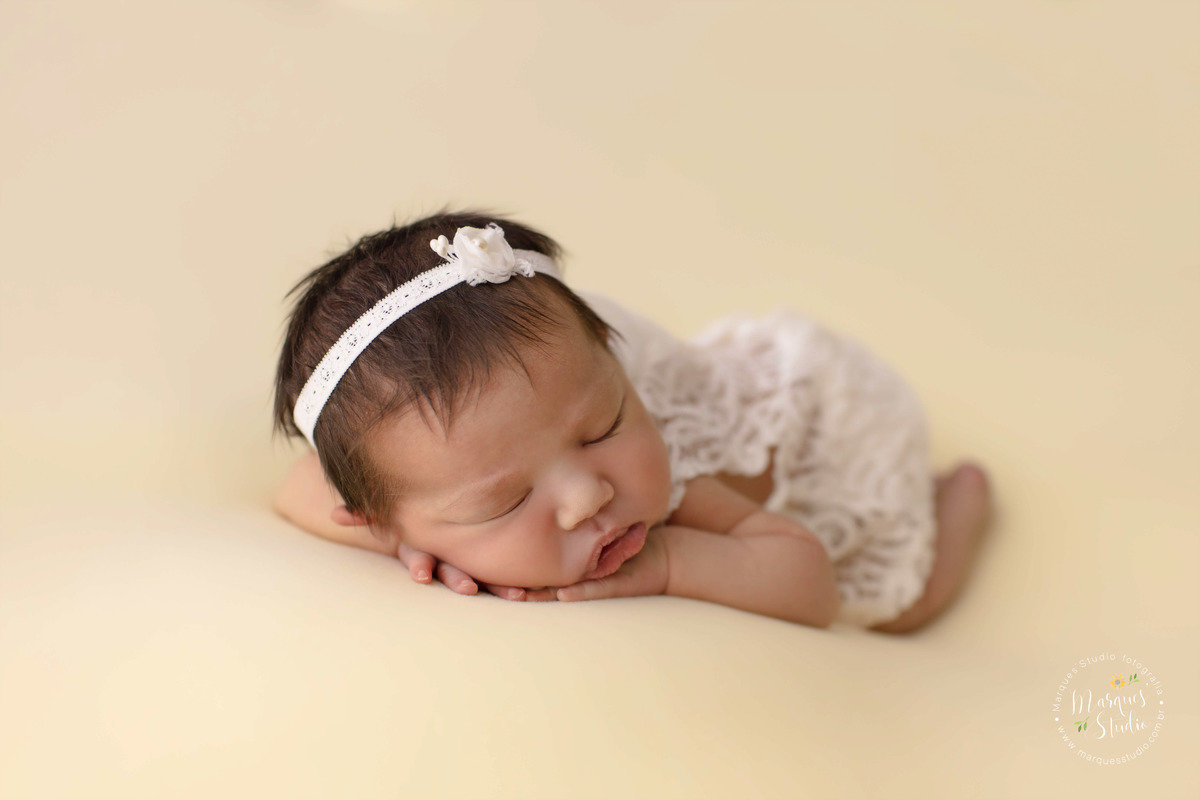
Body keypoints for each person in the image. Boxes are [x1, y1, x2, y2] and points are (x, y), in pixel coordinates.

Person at [272, 211, 991, 632]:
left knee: (894, 605)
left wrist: (672, 560)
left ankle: (960, 500)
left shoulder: (668, 462)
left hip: (820, 419)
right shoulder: (420, 477)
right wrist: (403, 540)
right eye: (506, 499)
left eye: (605, 426)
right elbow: (300, 491)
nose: (591, 496)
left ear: (619, 377)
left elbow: (809, 583)